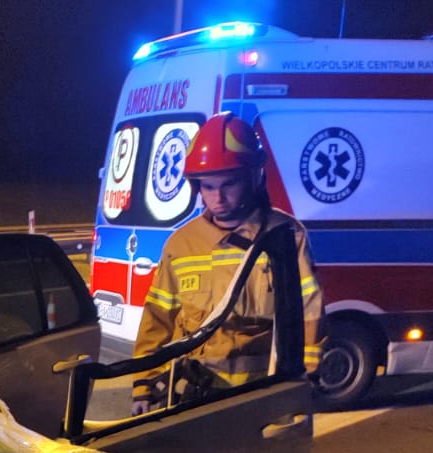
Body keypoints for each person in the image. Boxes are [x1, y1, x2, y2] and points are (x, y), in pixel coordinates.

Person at [132, 113, 322, 412]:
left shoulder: (284, 236)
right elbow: (157, 319)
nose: (217, 197)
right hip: (195, 397)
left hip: (261, 395)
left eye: (229, 184)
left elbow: (309, 309)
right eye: (207, 186)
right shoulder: (182, 245)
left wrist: (303, 379)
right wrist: (144, 387)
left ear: (253, 178)